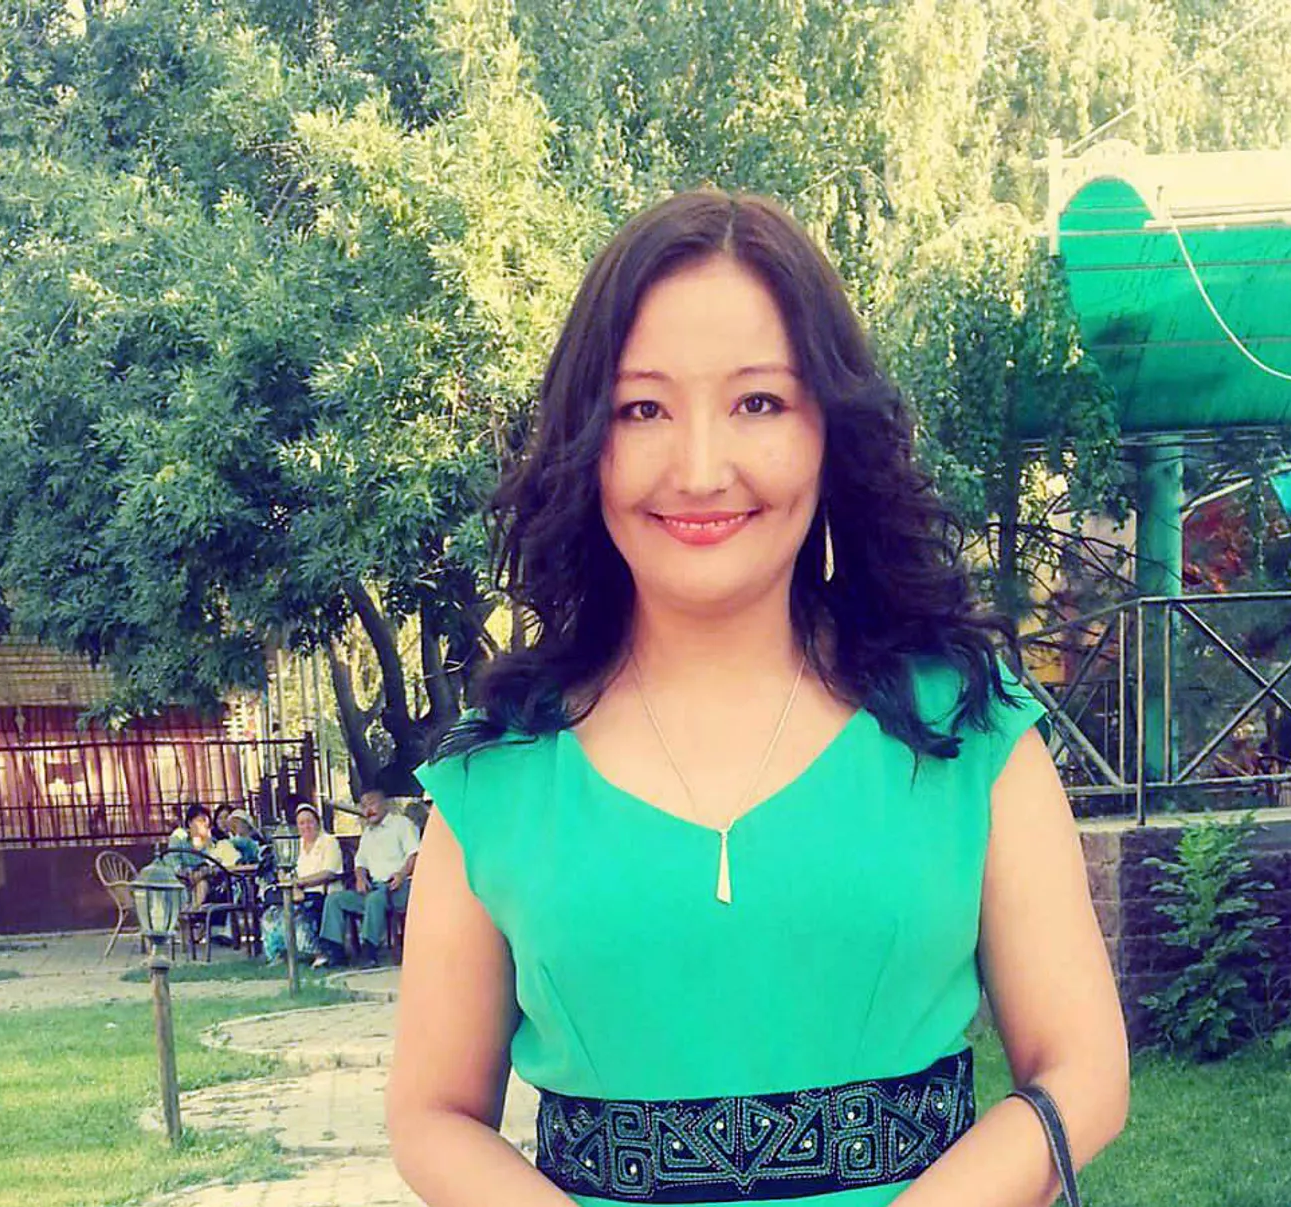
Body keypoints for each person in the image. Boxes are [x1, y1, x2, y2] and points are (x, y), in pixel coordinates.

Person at [386, 190, 1128, 1207]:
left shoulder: (966, 726)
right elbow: (431, 1112)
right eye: (644, 408)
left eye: (759, 403)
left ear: (830, 430)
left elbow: (1083, 1069)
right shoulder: (496, 774)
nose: (701, 470)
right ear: (585, 440)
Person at [314, 788, 422, 968]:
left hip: (398, 888)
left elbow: (414, 854)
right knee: (335, 899)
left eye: (372, 803)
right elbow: (360, 863)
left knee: (374, 899)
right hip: (374, 888)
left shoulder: (402, 824)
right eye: (364, 806)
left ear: (385, 803)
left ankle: (369, 951)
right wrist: (360, 878)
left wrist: (401, 874)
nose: (368, 810)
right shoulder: (368, 833)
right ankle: (334, 952)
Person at [286, 802, 344, 932]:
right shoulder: (296, 844)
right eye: (301, 823)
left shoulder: (329, 841)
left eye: (310, 822)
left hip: (323, 893)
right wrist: (294, 886)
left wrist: (299, 883)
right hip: (298, 893)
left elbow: (329, 873)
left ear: (318, 823)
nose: (306, 826)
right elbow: (285, 869)